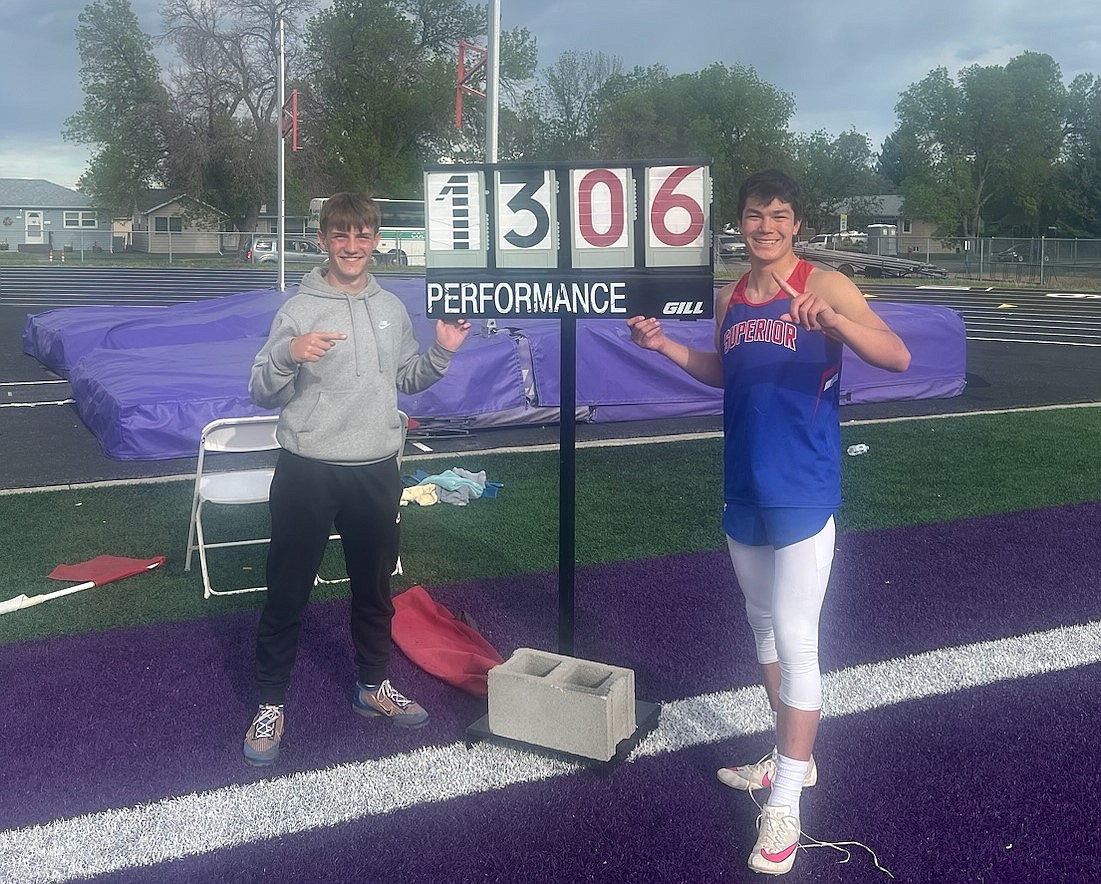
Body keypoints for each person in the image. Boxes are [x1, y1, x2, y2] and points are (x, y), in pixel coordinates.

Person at [627, 169, 910, 875]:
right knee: (761, 631)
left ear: (796, 224)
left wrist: (835, 321)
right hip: (742, 490)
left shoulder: (825, 284)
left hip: (803, 492)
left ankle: (785, 801)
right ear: (740, 222)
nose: (765, 227)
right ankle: (790, 754)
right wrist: (664, 347)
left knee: (797, 640)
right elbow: (725, 373)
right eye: (755, 216)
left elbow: (897, 357)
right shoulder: (730, 297)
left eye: (778, 216)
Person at [243, 192, 471, 767]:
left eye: (363, 235)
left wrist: (442, 353)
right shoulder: (297, 309)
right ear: (323, 240)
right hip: (308, 470)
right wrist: (289, 354)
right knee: (286, 592)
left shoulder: (392, 307)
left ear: (376, 240)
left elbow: (407, 378)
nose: (353, 246)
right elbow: (260, 389)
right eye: (341, 235)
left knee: (374, 590)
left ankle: (373, 687)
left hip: (375, 470)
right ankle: (270, 704)